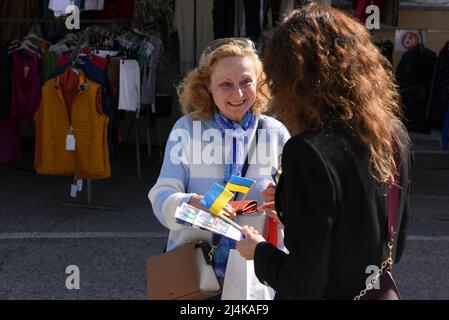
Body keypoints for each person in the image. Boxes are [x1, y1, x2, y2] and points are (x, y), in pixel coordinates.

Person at [236, 4, 414, 300]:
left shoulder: (307, 151)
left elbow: (303, 282)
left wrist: (259, 251)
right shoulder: (394, 135)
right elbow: (394, 243)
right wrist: (294, 215)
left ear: (293, 79)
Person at [148, 38, 290, 296]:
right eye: (226, 84)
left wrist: (283, 201)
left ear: (259, 82)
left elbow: (301, 206)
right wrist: (193, 205)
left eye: (246, 81)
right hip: (195, 270)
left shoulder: (275, 132)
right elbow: (161, 195)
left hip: (255, 276)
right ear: (207, 88)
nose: (238, 93)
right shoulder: (187, 129)